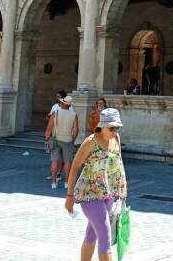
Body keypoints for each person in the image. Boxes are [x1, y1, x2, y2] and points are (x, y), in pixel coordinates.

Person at [65, 108, 127, 261]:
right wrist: (70, 196)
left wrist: (123, 189)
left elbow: (119, 163)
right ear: (102, 126)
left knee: (91, 234)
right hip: (90, 195)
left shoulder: (116, 138)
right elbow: (74, 168)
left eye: (117, 127)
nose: (115, 131)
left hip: (109, 194)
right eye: (112, 128)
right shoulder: (90, 142)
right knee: (105, 236)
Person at [46, 95, 79, 189]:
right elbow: (76, 130)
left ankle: (53, 182)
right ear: (69, 105)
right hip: (68, 140)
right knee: (67, 161)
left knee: (54, 160)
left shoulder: (55, 113)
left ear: (63, 103)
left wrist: (47, 139)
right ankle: (66, 182)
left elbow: (49, 128)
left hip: (56, 139)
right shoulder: (74, 115)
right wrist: (73, 139)